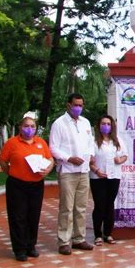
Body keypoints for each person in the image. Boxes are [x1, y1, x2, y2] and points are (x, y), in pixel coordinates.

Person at [0, 116, 55, 261]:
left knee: (33, 216)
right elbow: (3, 161)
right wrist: (12, 172)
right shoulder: (12, 143)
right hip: (17, 185)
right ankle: (19, 249)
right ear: (20, 127)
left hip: (36, 185)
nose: (29, 129)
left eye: (32, 127)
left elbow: (50, 159)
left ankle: (31, 246)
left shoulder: (40, 142)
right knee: (18, 216)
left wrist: (47, 170)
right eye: (26, 126)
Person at [49, 93, 95, 255]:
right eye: (75, 105)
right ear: (68, 105)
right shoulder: (59, 124)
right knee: (66, 207)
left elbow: (90, 144)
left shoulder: (85, 123)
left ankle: (79, 239)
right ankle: (64, 241)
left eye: (81, 105)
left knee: (81, 207)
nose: (78, 108)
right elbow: (53, 148)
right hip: (68, 171)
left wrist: (90, 156)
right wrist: (69, 158)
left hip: (84, 171)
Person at [89, 115, 128, 246]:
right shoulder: (93, 141)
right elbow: (89, 160)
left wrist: (120, 160)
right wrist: (96, 170)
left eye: (108, 124)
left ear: (112, 126)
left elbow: (125, 156)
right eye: (103, 123)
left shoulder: (117, 141)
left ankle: (108, 233)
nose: (106, 126)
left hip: (114, 177)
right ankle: (98, 235)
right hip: (98, 177)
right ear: (98, 125)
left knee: (109, 204)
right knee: (99, 205)